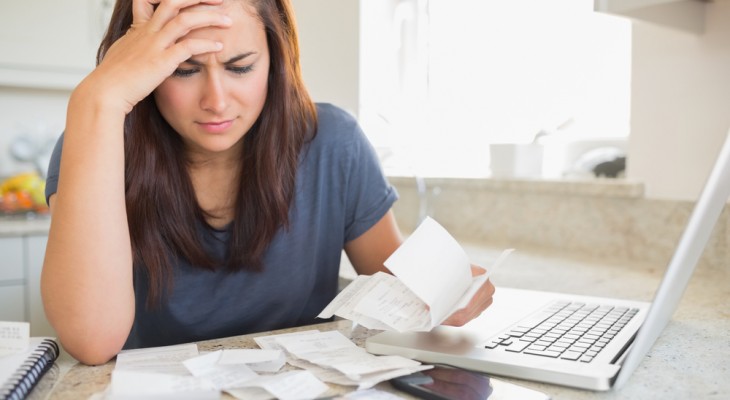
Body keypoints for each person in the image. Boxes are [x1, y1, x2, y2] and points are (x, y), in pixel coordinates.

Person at [42, 0, 496, 366]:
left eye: (240, 67)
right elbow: (92, 341)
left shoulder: (333, 142)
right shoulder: (97, 141)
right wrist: (97, 97)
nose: (216, 101)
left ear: (275, 58)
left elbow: (395, 284)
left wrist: (444, 292)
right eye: (183, 69)